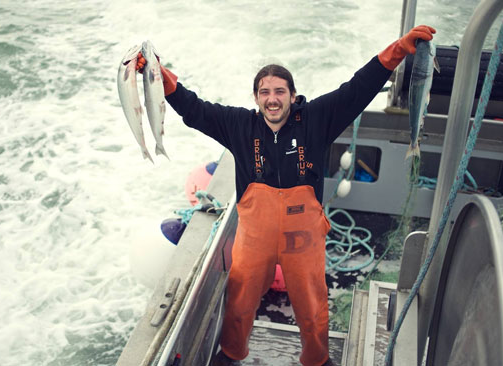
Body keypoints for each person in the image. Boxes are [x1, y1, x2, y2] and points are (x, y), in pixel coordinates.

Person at [136, 25, 435, 366]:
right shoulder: (238, 125)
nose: (272, 98)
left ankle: (317, 359)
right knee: (239, 300)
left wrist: (398, 50)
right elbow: (193, 108)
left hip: (303, 239)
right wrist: (158, 73)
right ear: (256, 98)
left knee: (312, 305)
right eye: (265, 92)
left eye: (280, 91)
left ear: (293, 96)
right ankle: (231, 352)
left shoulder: (318, 119)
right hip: (254, 237)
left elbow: (358, 88)